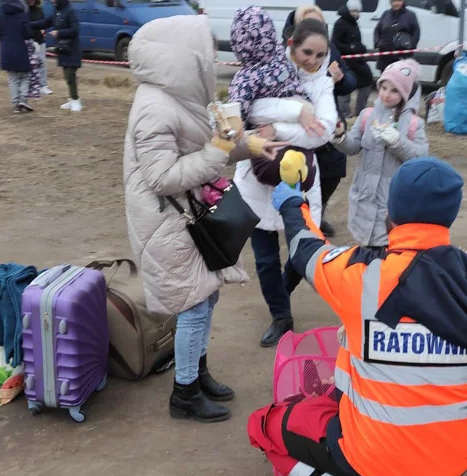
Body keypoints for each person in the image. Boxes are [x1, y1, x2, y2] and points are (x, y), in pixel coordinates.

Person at [247, 156, 467, 476]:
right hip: (453, 463)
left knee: (264, 426)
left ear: (391, 213)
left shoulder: (362, 276)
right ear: (449, 215)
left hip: (374, 465)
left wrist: (293, 203)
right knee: (424, 403)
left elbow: (305, 250)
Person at [123, 15, 286, 423]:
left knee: (206, 293)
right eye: (206, 52)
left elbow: (210, 147)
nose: (212, 58)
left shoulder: (176, 96)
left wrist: (250, 146)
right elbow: (162, 178)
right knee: (194, 304)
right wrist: (218, 150)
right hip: (168, 222)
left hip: (187, 217)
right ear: (183, 57)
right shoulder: (154, 108)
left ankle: (198, 375)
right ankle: (184, 394)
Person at [233, 18, 338, 348]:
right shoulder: (267, 68)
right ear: (291, 44)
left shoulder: (323, 84)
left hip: (300, 178)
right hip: (258, 175)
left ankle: (281, 289)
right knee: (264, 257)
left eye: (321, 55)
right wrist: (297, 111)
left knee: (302, 249)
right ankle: (281, 316)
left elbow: (324, 131)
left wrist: (278, 130)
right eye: (308, 52)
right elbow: (252, 110)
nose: (314, 61)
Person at [335, 58, 428, 249]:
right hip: (364, 196)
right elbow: (353, 146)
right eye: (384, 88)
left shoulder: (413, 124)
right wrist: (340, 137)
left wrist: (397, 141)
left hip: (391, 202)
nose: (387, 95)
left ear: (405, 93)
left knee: (387, 250)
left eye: (394, 90)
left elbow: (421, 158)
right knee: (364, 248)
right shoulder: (367, 115)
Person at [282, 5, 357, 238]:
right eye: (308, 23)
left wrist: (340, 78)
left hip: (327, 119)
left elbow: (350, 83)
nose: (314, 59)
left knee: (334, 167)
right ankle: (293, 215)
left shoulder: (329, 50)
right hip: (295, 126)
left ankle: (318, 212)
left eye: (320, 24)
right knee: (295, 173)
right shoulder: (284, 58)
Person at [31, 0, 82, 111]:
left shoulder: (70, 11)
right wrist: (29, 25)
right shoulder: (56, 12)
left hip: (71, 49)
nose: (52, 2)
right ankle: (71, 99)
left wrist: (59, 33)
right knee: (66, 75)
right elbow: (45, 22)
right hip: (62, 48)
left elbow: (75, 30)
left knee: (70, 75)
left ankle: (76, 100)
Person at [0, 0, 33, 114]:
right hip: (20, 48)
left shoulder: (0, 15)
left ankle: (15, 104)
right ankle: (23, 99)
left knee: (12, 78)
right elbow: (28, 33)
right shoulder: (22, 15)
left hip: (6, 49)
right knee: (25, 76)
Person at [333, 0, 374, 118]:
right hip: (346, 62)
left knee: (367, 81)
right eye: (353, 11)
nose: (355, 13)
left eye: (357, 11)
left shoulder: (353, 22)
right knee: (345, 86)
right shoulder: (340, 23)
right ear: (348, 10)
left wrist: (361, 48)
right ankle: (344, 113)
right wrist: (352, 48)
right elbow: (335, 43)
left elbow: (355, 42)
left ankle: (360, 111)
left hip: (357, 61)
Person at [373, 0, 420, 72]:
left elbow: (416, 32)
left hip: (402, 55)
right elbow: (377, 30)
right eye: (394, 1)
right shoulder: (386, 14)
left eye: (399, 0)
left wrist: (411, 46)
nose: (396, 3)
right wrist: (378, 43)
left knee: (400, 78)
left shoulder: (410, 15)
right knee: (385, 78)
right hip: (385, 54)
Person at [27, 0, 52, 95]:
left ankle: (43, 85)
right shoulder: (24, 11)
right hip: (29, 41)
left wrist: (44, 30)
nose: (31, 1)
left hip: (40, 40)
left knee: (42, 63)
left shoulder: (39, 9)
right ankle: (31, 86)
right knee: (30, 64)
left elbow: (43, 22)